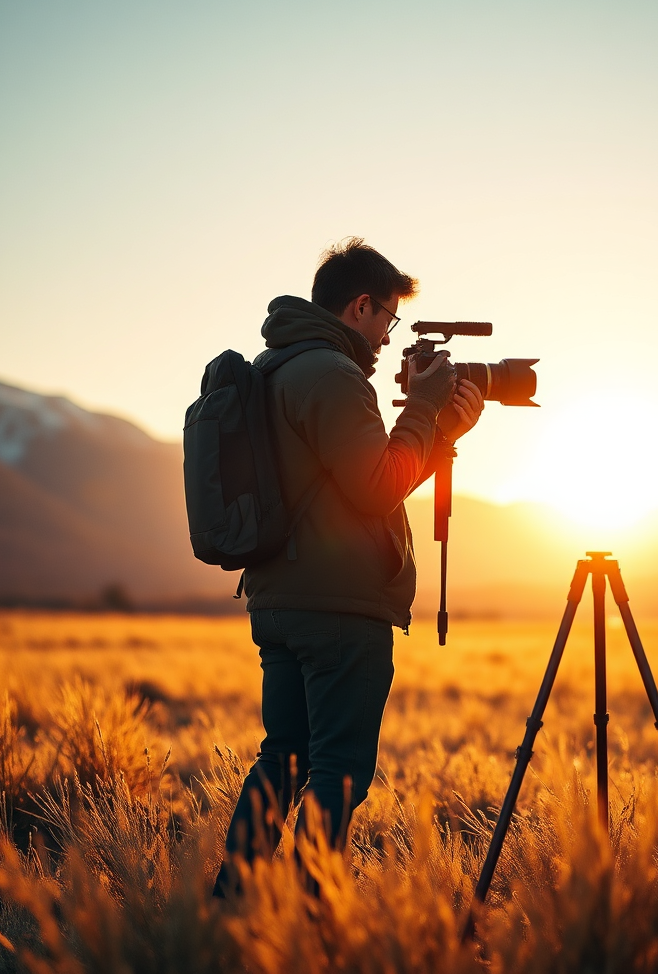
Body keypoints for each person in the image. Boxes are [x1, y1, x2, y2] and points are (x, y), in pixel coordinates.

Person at [213, 238, 484, 896]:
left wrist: (438, 432)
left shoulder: (278, 367)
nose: (390, 338)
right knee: (337, 768)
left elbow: (367, 490)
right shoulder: (332, 375)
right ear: (360, 306)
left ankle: (232, 906)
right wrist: (425, 408)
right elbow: (374, 490)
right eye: (389, 319)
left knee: (283, 759)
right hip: (336, 609)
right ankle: (314, 917)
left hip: (282, 598)